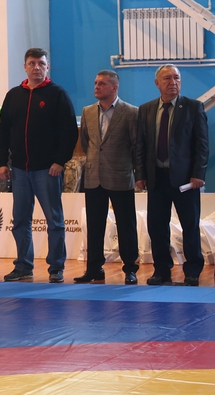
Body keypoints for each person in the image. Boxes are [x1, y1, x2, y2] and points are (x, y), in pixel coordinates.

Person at [0, 48, 77, 284]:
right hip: (20, 170)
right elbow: (2, 131)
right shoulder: (13, 95)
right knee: (20, 220)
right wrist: (2, 162)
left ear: (47, 67)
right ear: (25, 67)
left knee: (54, 221)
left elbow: (69, 131)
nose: (36, 67)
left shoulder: (57, 94)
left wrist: (59, 161)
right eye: (32, 63)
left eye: (41, 63)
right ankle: (23, 266)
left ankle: (56, 267)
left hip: (47, 170)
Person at [135, 64, 209, 286]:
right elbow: (140, 145)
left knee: (190, 226)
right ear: (157, 83)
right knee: (157, 227)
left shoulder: (193, 107)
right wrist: (140, 174)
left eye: (176, 78)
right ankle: (161, 271)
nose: (173, 82)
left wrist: (198, 174)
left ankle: (192, 271)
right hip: (156, 178)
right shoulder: (146, 109)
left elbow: (202, 145)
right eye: (167, 78)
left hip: (186, 180)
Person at [76, 70, 140, 285]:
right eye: (95, 83)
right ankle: (94, 269)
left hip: (120, 176)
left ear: (114, 87)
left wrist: (137, 173)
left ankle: (130, 268)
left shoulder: (131, 112)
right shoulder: (87, 112)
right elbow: (86, 143)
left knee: (126, 225)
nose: (96, 86)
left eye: (102, 83)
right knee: (94, 226)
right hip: (94, 176)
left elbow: (136, 146)